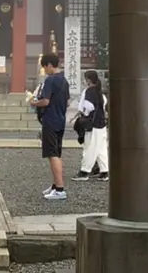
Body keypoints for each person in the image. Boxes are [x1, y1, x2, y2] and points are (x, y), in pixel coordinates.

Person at [33, 52, 70, 200]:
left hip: (50, 120)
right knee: (57, 153)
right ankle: (55, 185)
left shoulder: (50, 80)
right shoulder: (64, 81)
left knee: (52, 154)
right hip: (60, 119)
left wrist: (34, 102)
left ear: (49, 65)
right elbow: (67, 102)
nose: (45, 70)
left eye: (45, 67)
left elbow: (45, 101)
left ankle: (60, 189)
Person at [75, 70, 108, 182]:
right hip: (101, 123)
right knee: (101, 149)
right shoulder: (99, 91)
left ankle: (84, 172)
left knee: (90, 148)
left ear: (88, 79)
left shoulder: (89, 91)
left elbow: (89, 107)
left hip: (93, 124)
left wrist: (84, 114)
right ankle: (104, 171)